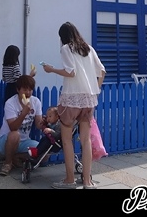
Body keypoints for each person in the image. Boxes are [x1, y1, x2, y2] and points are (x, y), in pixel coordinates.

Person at [42, 21, 106, 189]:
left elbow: (71, 72)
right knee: (86, 140)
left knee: (66, 140)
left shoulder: (66, 48)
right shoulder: (89, 49)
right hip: (88, 99)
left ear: (62, 37)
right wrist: (95, 89)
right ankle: (87, 182)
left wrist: (51, 69)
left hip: (71, 98)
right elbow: (102, 71)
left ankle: (69, 179)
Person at [0, 74, 44, 176]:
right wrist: (23, 113)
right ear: (18, 90)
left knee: (44, 152)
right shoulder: (10, 103)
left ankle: (16, 157)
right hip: (6, 140)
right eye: (25, 89)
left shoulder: (36, 102)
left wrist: (46, 121)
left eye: (30, 90)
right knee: (15, 134)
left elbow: (38, 124)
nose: (28, 93)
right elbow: (13, 127)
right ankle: (8, 163)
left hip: (24, 141)